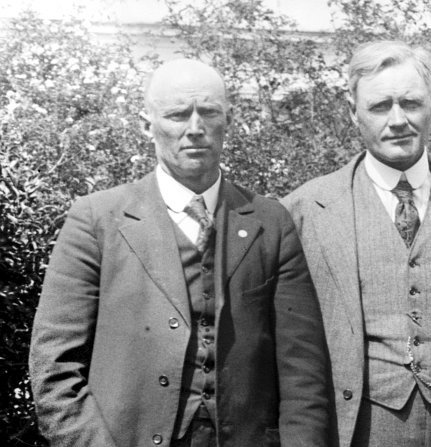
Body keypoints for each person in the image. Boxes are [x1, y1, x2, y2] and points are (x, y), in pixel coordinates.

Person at [29, 58, 329, 447]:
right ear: (147, 125)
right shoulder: (96, 219)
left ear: (229, 119)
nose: (195, 128)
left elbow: (302, 369)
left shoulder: (271, 222)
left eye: (209, 112)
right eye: (177, 115)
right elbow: (54, 366)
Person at [282, 40, 431, 447]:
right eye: (379, 106)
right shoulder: (306, 209)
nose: (398, 120)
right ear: (352, 111)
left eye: (410, 103)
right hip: (361, 428)